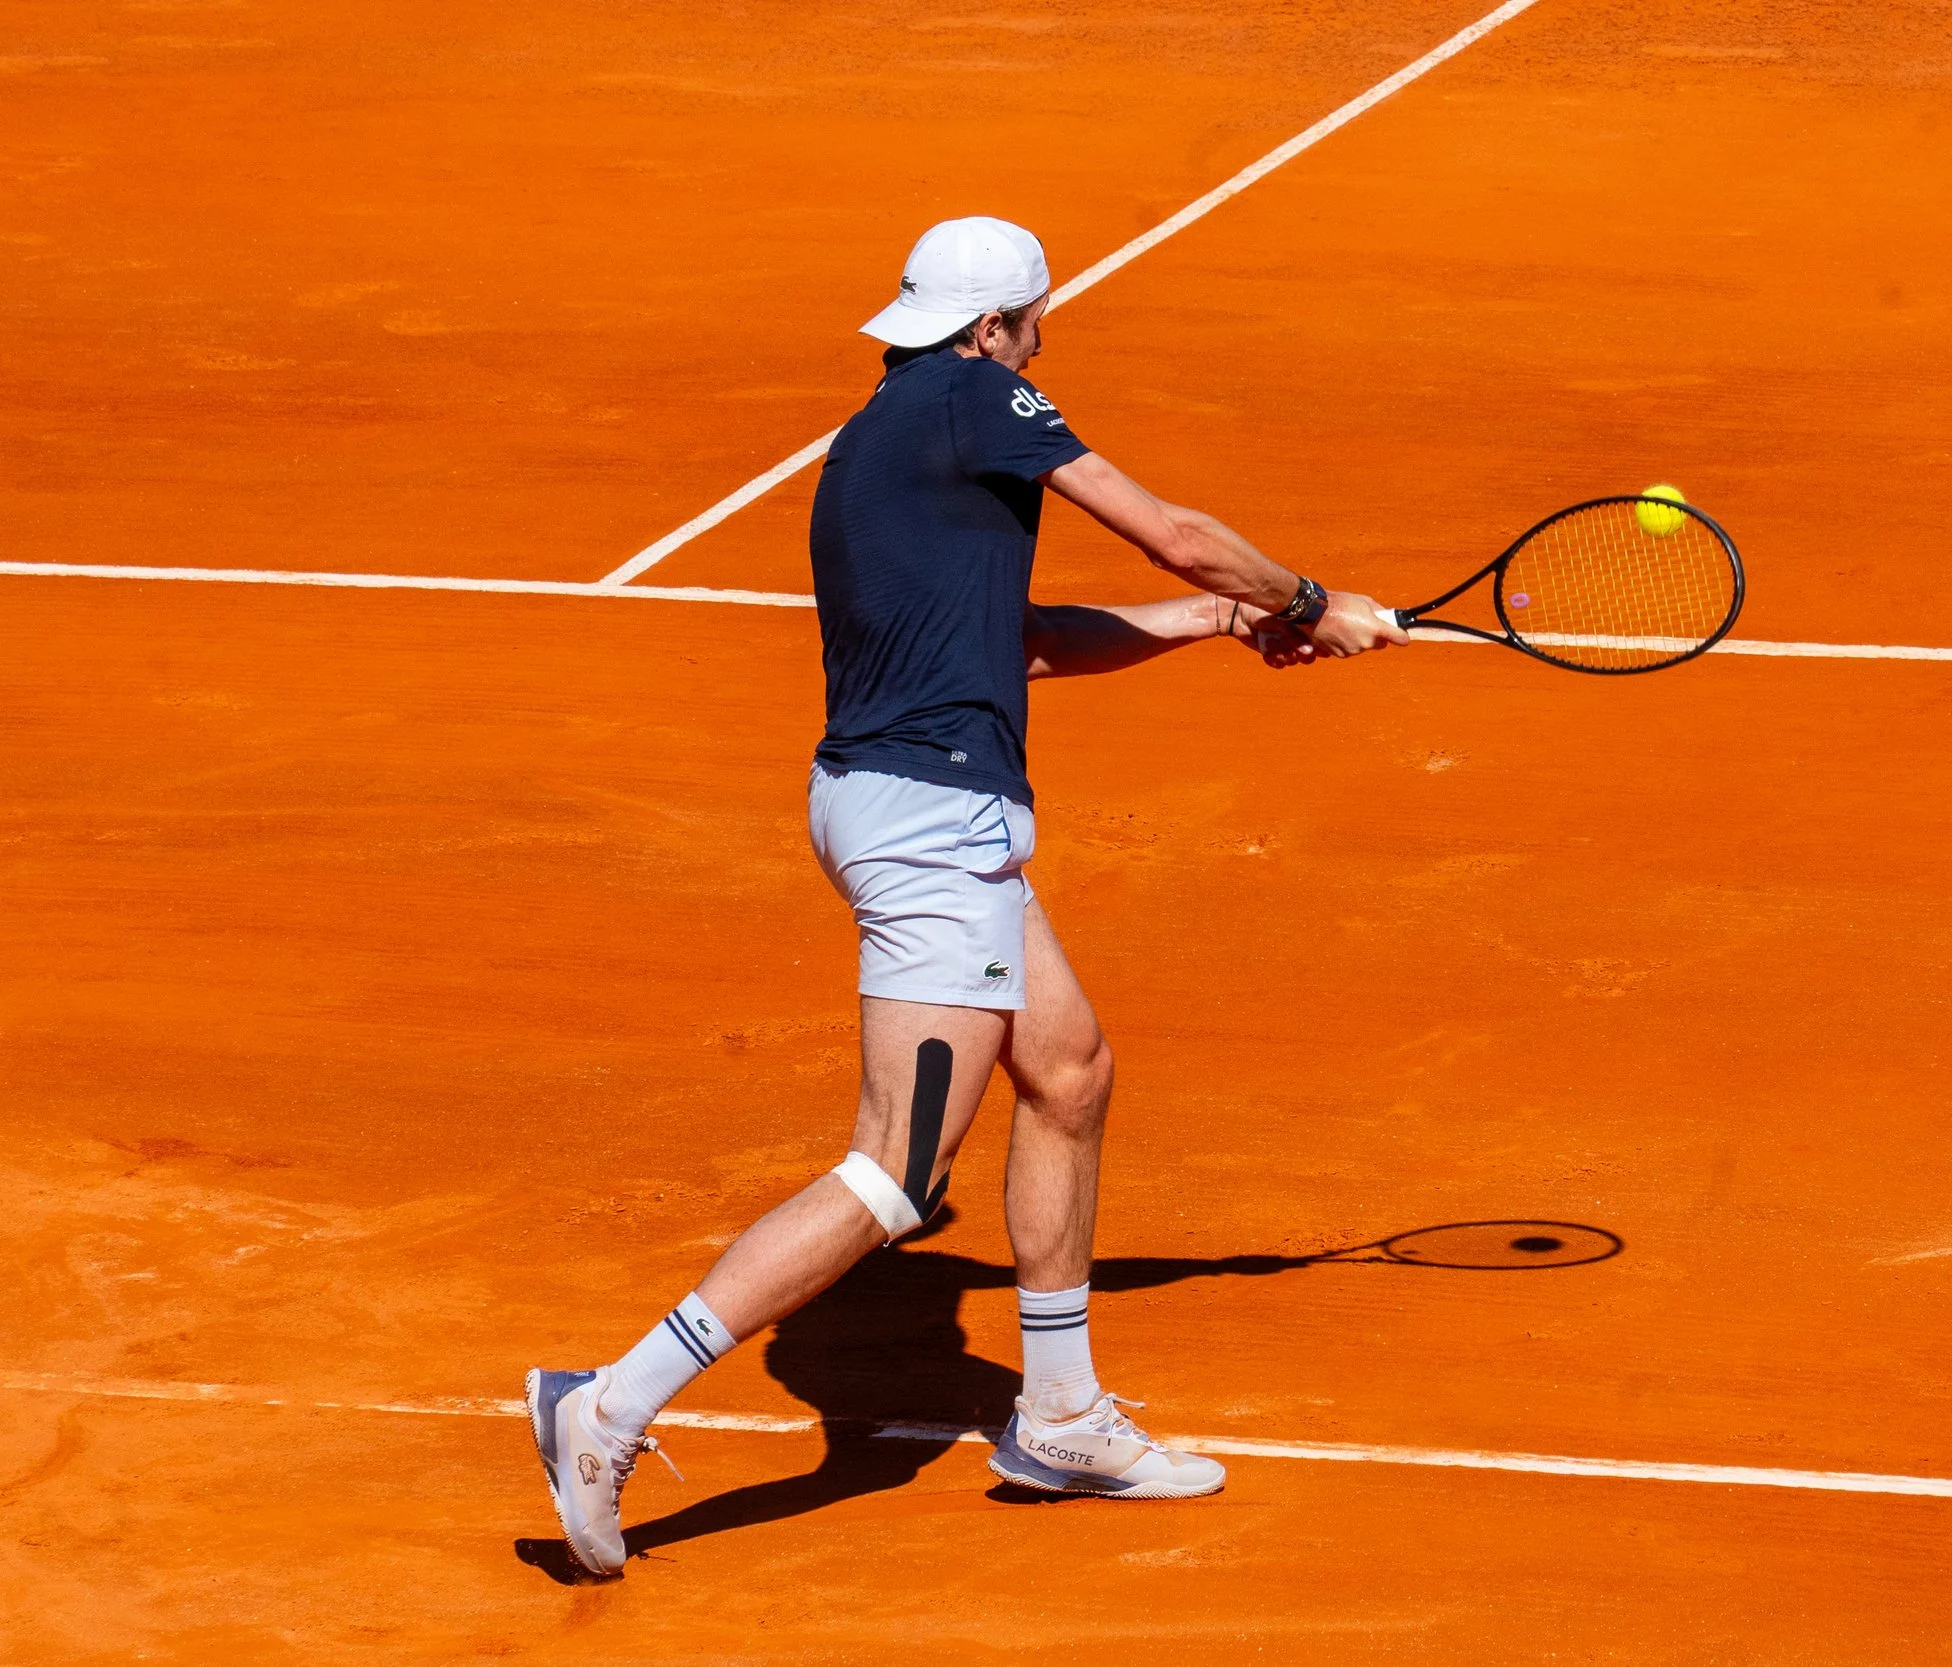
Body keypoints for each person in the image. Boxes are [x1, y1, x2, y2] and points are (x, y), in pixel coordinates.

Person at [525, 215, 1405, 1577]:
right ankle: (612, 1400)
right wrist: (1309, 591)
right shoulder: (979, 393)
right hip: (933, 824)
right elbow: (1170, 530)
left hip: (918, 807)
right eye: (1035, 323)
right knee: (896, 1167)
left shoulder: (883, 433)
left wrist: (1232, 624)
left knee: (1069, 1068)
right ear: (997, 328)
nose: (1041, 346)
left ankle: (1058, 1416)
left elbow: (1028, 644)